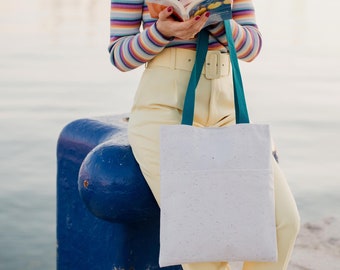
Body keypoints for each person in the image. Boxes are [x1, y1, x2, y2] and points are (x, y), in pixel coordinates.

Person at [108, 0, 300, 269]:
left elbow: (252, 47)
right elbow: (119, 56)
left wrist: (219, 22)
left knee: (282, 222)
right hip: (163, 110)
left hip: (226, 109)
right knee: (203, 248)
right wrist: (162, 32)